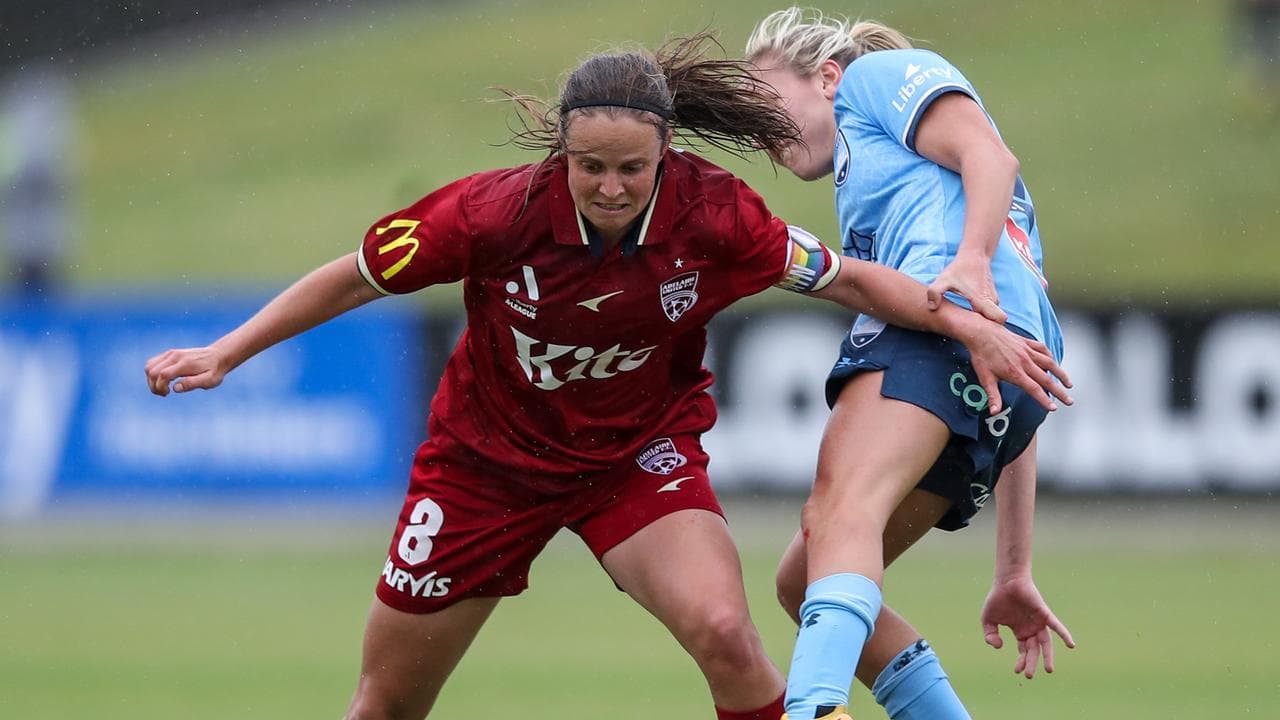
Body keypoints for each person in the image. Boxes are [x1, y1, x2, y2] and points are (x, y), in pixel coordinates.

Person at [144, 33, 1069, 720]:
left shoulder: (718, 217)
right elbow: (352, 274)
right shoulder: (489, 213)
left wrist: (968, 323)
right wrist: (228, 350)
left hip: (639, 458)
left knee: (728, 636)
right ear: (561, 154)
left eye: (632, 168)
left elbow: (850, 279)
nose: (612, 187)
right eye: (590, 167)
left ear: (667, 152)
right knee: (385, 704)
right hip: (484, 468)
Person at [745, 9, 1076, 720]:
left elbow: (990, 155)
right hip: (997, 378)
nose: (759, 133)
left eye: (764, 102)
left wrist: (969, 261)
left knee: (840, 511)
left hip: (939, 325)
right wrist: (1013, 567)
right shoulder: (895, 186)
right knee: (806, 582)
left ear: (826, 77)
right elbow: (1017, 365)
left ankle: (811, 710)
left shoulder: (873, 78)